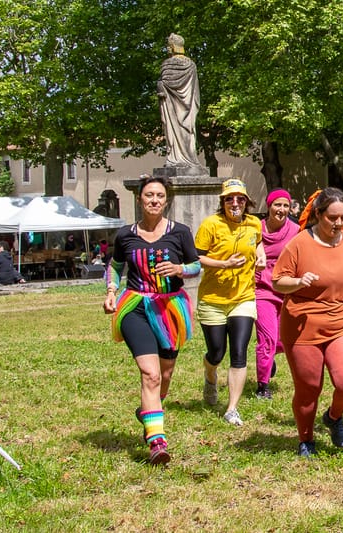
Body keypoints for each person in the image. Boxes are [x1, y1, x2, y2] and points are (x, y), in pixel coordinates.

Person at [103, 174, 201, 465]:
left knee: (166, 377)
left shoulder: (180, 232)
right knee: (151, 374)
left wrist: (181, 269)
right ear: (139, 199)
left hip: (170, 308)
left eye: (159, 196)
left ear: (166, 200)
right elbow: (115, 266)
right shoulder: (125, 235)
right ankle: (157, 442)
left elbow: (197, 266)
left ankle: (148, 410)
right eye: (149, 196)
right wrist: (111, 291)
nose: (154, 200)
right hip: (135, 305)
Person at [272, 188, 343, 457]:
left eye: (342, 218)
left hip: (341, 320)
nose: (338, 224)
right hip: (303, 324)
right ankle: (306, 439)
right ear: (318, 214)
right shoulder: (299, 244)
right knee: (309, 388)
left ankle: (334, 416)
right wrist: (298, 282)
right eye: (332, 218)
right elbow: (278, 280)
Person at [194, 178, 266, 426]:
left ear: (247, 202)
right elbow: (198, 258)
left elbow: (258, 244)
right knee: (216, 352)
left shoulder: (254, 223)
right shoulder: (211, 225)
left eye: (240, 198)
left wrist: (261, 255)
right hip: (213, 299)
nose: (234, 203)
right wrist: (224, 264)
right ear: (223, 202)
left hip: (243, 297)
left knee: (239, 352)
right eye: (229, 199)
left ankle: (232, 408)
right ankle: (210, 374)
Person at [254, 188, 300, 400]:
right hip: (261, 289)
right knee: (268, 339)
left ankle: (269, 359)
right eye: (277, 205)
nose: (281, 210)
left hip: (286, 289)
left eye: (285, 206)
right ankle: (262, 386)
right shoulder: (255, 229)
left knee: (283, 341)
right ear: (268, 206)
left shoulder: (295, 230)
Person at [158, 33, 201, 168]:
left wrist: (160, 84)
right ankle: (188, 158)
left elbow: (165, 83)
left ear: (173, 46)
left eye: (168, 45)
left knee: (173, 131)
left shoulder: (167, 64)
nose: (167, 48)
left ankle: (176, 158)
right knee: (188, 133)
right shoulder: (191, 65)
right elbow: (194, 90)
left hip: (172, 107)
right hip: (188, 109)